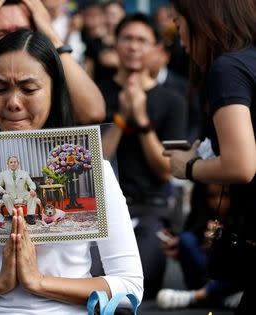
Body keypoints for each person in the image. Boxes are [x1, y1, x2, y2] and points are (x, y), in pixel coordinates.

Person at [0, 29, 143, 314]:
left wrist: (39, 282)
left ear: (53, 90)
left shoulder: (91, 166)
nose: (13, 102)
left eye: (28, 89)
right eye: (0, 88)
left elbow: (130, 285)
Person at [164, 1, 256, 314]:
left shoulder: (227, 68)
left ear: (202, 21)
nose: (181, 41)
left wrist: (187, 167)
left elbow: (241, 165)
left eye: (179, 26)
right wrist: (202, 150)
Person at [99, 13, 187, 298]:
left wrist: (142, 120)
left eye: (142, 40)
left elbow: (167, 170)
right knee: (97, 281)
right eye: (127, 38)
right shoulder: (98, 94)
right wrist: (122, 119)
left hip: (151, 208)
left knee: (141, 282)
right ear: (116, 44)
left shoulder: (173, 100)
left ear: (155, 49)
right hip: (104, 210)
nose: (134, 47)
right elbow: (91, 164)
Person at [0, 0, 106, 134]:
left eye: (29, 89)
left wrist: (51, 37)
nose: (12, 43)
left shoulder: (55, 78)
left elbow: (93, 113)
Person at [156, 183, 242, 310]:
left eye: (225, 195)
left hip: (231, 275)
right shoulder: (202, 218)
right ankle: (216, 296)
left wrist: (225, 241)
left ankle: (197, 297)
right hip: (207, 278)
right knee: (186, 239)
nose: (218, 201)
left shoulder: (242, 218)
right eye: (211, 196)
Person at [0, 156, 39, 224]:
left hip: (23, 195)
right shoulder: (3, 174)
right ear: (8, 164)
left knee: (33, 195)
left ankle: (30, 216)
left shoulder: (24, 173)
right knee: (5, 197)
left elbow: (31, 183)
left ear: (18, 163)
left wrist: (32, 189)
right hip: (11, 196)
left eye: (15, 162)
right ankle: (14, 215)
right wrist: (3, 191)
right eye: (11, 162)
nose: (13, 164)